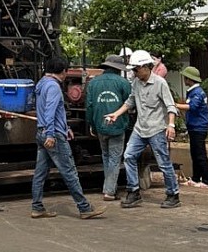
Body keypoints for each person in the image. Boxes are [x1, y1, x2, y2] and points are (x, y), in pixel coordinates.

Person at [31, 55, 106, 220]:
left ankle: (37, 207)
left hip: (42, 132)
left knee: (40, 172)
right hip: (53, 135)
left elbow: (47, 111)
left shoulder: (41, 84)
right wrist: (52, 133)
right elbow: (50, 111)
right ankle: (84, 208)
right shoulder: (53, 87)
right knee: (69, 171)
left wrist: (65, 127)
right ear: (63, 71)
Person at [106, 49, 181, 209]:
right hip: (140, 129)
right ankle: (133, 191)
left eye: (136, 69)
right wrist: (116, 114)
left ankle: (173, 194)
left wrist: (171, 125)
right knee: (128, 156)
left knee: (164, 163)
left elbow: (170, 105)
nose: (134, 72)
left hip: (156, 129)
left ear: (147, 67)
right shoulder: (136, 83)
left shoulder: (160, 83)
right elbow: (130, 102)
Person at [85, 54, 131, 201]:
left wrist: (92, 124)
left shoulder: (93, 83)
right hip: (117, 126)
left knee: (106, 156)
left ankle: (108, 186)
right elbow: (129, 103)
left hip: (100, 126)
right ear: (118, 69)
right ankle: (109, 191)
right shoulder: (123, 83)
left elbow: (90, 106)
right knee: (114, 159)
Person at [175, 66, 208, 187]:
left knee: (200, 154)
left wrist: (175, 105)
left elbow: (192, 107)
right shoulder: (193, 91)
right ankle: (196, 178)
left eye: (185, 78)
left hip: (199, 127)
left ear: (189, 79)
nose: (184, 80)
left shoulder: (197, 93)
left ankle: (207, 180)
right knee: (194, 153)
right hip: (193, 126)